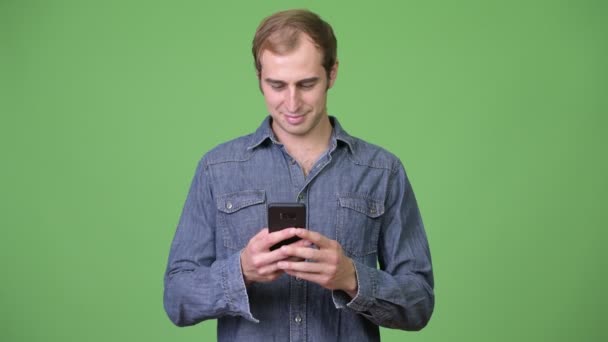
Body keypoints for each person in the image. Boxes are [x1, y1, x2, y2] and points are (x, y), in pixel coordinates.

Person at [163, 9, 434, 341]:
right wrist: (242, 271)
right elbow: (177, 299)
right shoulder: (216, 169)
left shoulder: (382, 171)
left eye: (307, 84)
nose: (292, 103)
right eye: (276, 85)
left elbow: (419, 303)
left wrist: (352, 278)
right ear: (259, 77)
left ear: (332, 74)